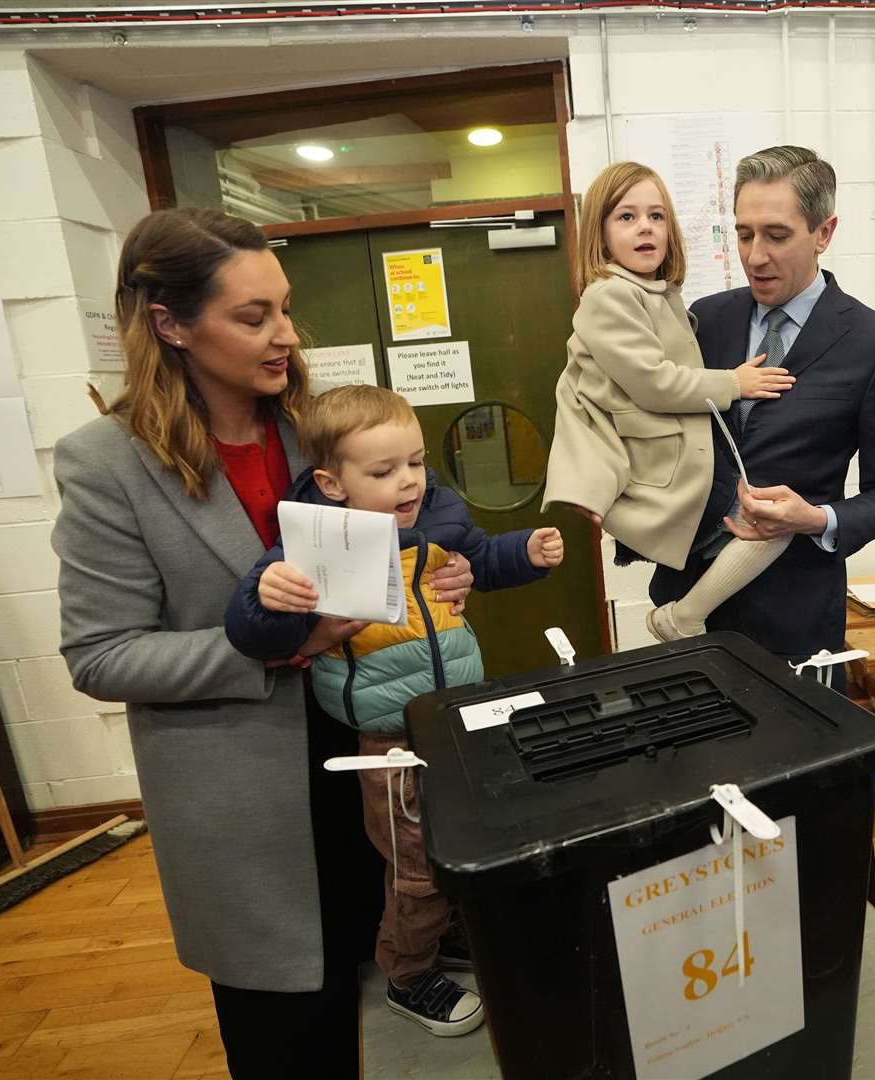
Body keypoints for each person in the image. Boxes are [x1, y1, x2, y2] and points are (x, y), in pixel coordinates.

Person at [51, 208, 474, 1078]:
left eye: (284, 309)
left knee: (381, 963)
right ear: (169, 324)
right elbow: (100, 655)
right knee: (291, 1038)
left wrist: (441, 574)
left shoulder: (311, 431)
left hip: (366, 754)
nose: (285, 335)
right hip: (245, 800)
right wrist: (271, 651)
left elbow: (407, 531)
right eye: (253, 318)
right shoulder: (108, 463)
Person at [224, 384, 563, 1036]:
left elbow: (482, 557)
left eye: (415, 461)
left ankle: (443, 936)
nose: (408, 481)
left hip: (457, 717)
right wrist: (263, 594)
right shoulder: (315, 541)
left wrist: (526, 553)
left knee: (465, 837)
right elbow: (252, 633)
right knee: (414, 864)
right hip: (389, 737)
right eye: (383, 472)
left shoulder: (437, 514)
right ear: (332, 482)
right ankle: (408, 973)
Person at [649, 146, 875, 672]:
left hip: (794, 620)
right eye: (744, 234)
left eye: (776, 235)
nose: (754, 256)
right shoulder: (707, 319)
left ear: (824, 232)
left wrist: (815, 519)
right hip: (685, 604)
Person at [543, 161, 796, 641]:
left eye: (656, 216)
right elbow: (653, 383)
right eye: (626, 217)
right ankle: (682, 619)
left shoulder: (658, 292)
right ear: (599, 235)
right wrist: (734, 384)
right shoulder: (609, 296)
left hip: (678, 456)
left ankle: (682, 616)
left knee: (766, 524)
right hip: (661, 465)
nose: (645, 227)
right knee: (771, 525)